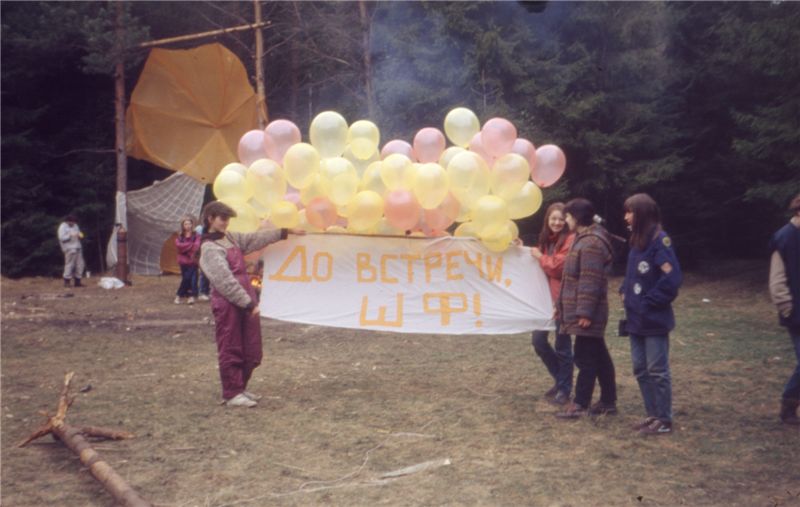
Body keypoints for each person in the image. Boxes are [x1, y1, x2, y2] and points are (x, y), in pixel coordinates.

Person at [199, 201, 301, 408]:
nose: (226, 223)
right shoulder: (209, 248)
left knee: (251, 347)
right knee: (231, 346)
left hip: (245, 300)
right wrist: (247, 304)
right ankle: (231, 392)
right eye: (222, 219)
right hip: (229, 304)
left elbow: (254, 239)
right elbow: (225, 281)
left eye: (228, 219)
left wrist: (283, 232)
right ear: (210, 219)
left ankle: (240, 386)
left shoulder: (230, 238)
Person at [621, 194, 682, 435]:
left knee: (657, 370)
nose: (626, 217)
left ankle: (664, 420)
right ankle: (652, 415)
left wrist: (648, 302)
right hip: (635, 319)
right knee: (640, 368)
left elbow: (672, 279)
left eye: (630, 212)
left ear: (642, 214)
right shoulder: (637, 241)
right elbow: (635, 274)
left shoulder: (660, 240)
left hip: (654, 318)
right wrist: (624, 290)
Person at [555, 198, 617, 419]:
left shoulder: (590, 243)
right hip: (586, 312)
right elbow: (572, 278)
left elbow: (589, 280)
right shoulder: (583, 238)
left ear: (577, 217)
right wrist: (562, 306)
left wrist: (585, 313)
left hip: (588, 314)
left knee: (585, 358)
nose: (566, 221)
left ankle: (580, 404)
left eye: (567, 216)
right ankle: (608, 402)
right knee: (599, 356)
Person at [530, 202, 575, 405]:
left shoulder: (571, 239)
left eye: (561, 219)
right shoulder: (545, 240)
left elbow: (558, 267)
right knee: (539, 341)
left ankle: (564, 389)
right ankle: (560, 379)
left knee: (563, 345)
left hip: (562, 300)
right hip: (543, 301)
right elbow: (535, 262)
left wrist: (540, 256)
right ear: (547, 220)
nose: (557, 222)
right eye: (553, 218)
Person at [769, 193, 800, 425]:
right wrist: (787, 308)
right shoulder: (784, 238)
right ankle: (789, 404)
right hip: (797, 314)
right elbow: (777, 281)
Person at [174, 216, 201, 305]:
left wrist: (185, 247)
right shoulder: (180, 236)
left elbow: (196, 246)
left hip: (192, 260)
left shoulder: (196, 235)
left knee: (191, 278)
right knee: (186, 278)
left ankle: (181, 296)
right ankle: (187, 295)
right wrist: (190, 245)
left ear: (192, 225)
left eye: (189, 224)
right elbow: (178, 246)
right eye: (186, 224)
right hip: (183, 261)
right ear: (183, 225)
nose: (188, 226)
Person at [57, 214, 85, 288]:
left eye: (74, 222)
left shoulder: (75, 226)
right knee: (70, 264)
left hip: (78, 246)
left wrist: (80, 235)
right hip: (69, 248)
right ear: (68, 221)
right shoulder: (63, 227)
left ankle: (78, 281)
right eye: (72, 222)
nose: (73, 223)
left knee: (80, 264)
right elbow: (61, 238)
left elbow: (79, 233)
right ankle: (67, 281)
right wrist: (70, 236)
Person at [195, 223, 211, 301]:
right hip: (203, 254)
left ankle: (207, 291)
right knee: (204, 274)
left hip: (209, 254)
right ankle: (202, 292)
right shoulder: (200, 229)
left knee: (209, 274)